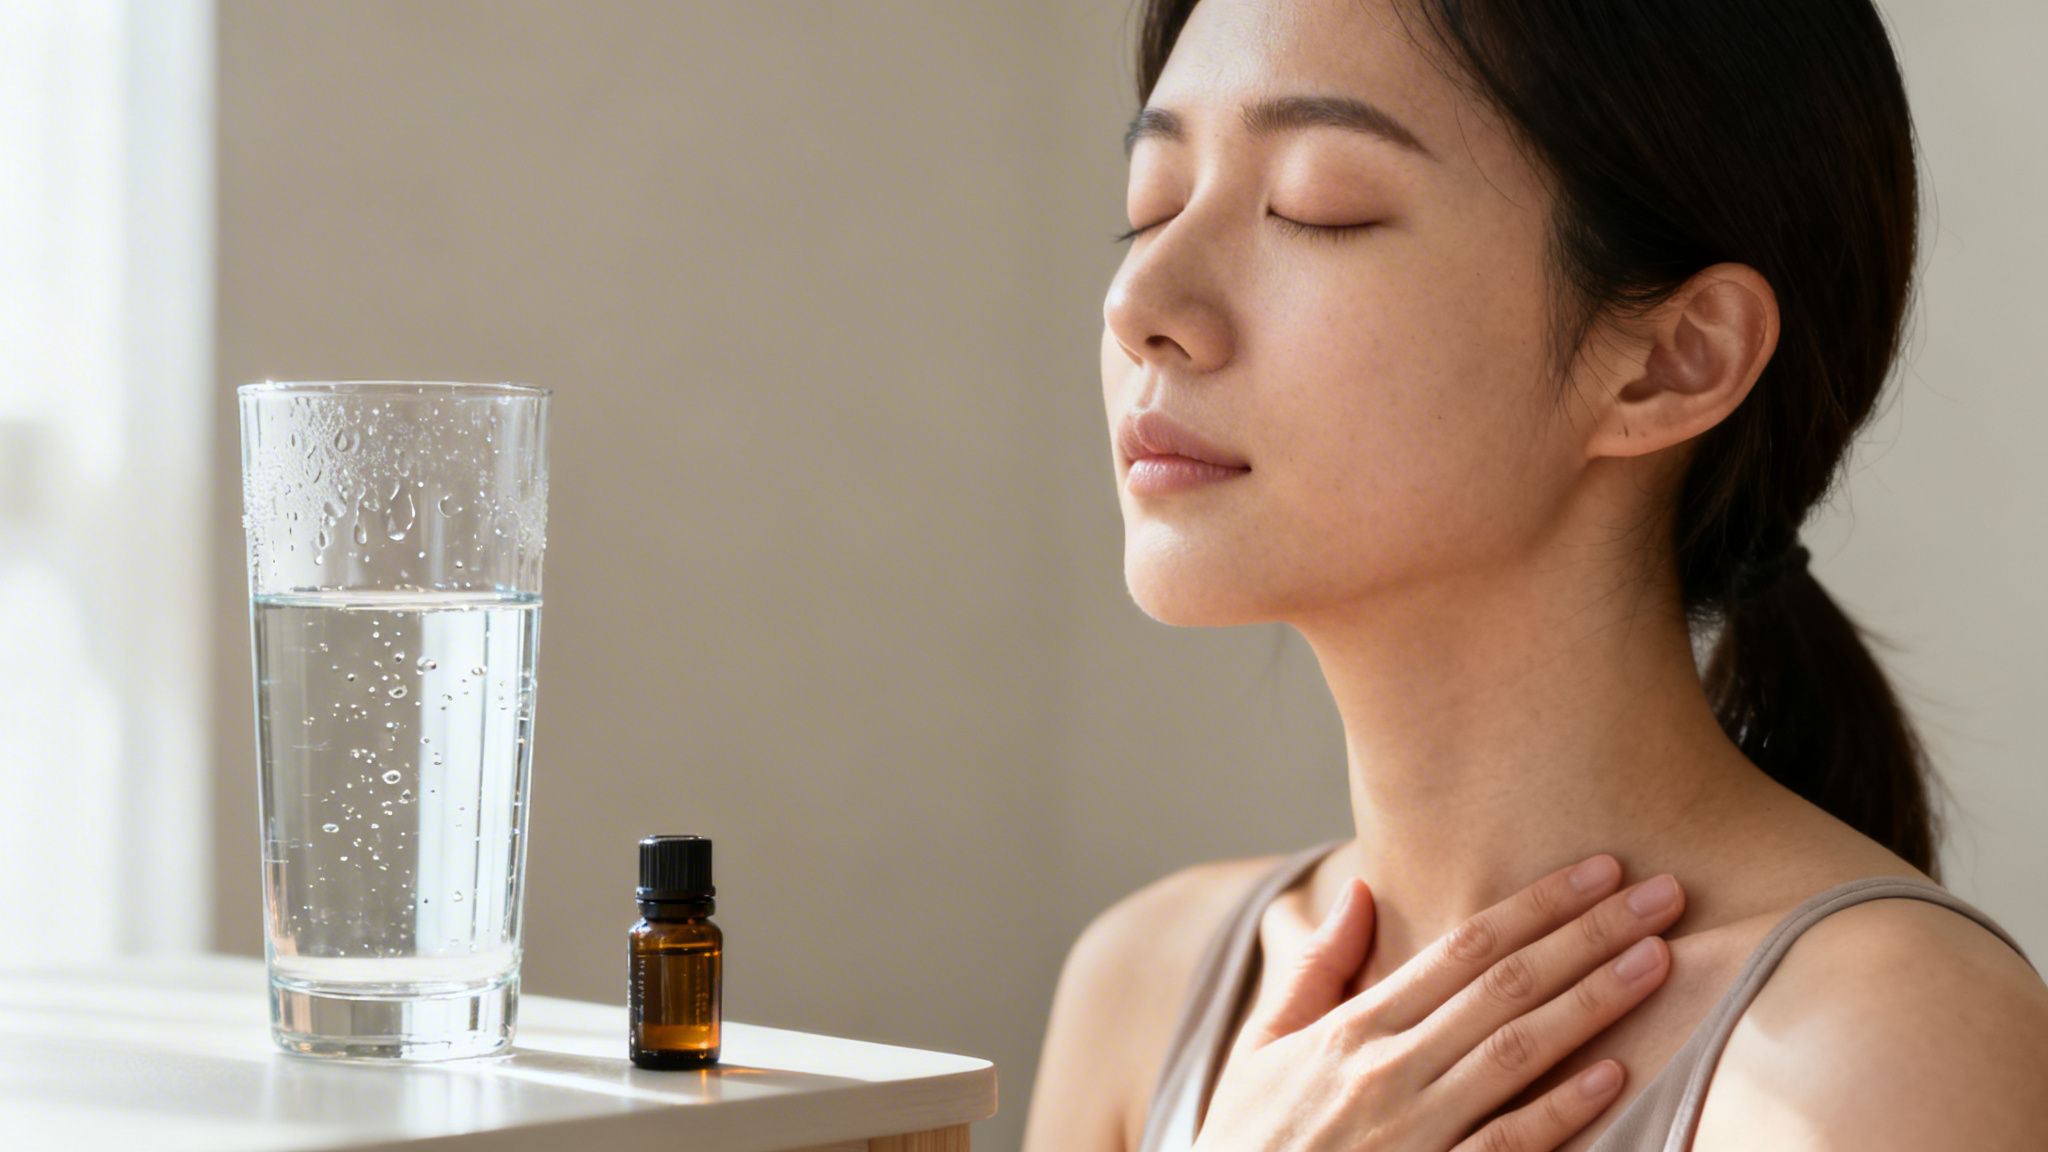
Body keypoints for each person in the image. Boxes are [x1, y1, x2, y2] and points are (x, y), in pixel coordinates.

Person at [1022, 1, 2048, 1149]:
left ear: (1669, 360)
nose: (1138, 305)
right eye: (1150, 207)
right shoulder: (1142, 985)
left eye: (1315, 207)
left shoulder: (1877, 1051)